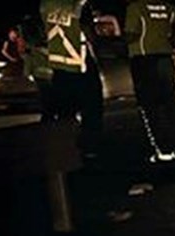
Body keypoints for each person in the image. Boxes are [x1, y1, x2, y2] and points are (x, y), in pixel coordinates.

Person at [123, 0, 175, 162]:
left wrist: (118, 42)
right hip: (165, 57)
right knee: (171, 105)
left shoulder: (135, 7)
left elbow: (131, 35)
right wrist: (173, 38)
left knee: (149, 107)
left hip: (143, 59)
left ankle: (162, 150)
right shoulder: (165, 6)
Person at [40, 0, 104, 157]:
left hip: (58, 66)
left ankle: (66, 150)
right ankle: (90, 148)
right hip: (80, 64)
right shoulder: (81, 5)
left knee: (64, 111)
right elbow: (89, 34)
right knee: (92, 108)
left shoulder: (46, 5)